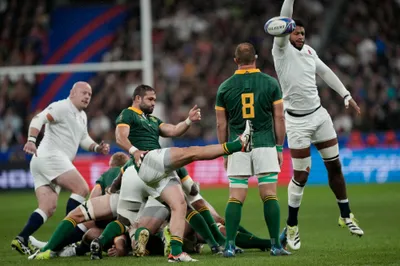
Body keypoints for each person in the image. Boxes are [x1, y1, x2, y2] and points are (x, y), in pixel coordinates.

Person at [89, 84, 251, 262]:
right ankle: (238, 144)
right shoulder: (127, 114)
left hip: (155, 169)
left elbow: (174, 130)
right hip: (148, 159)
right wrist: (134, 150)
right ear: (137, 98)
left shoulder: (152, 120)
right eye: (150, 99)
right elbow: (120, 136)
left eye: (155, 100)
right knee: (190, 152)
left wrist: (188, 121)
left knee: (180, 205)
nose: (153, 103)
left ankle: (176, 251)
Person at [272, 0, 364, 251]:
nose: (300, 36)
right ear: (287, 33)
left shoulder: (310, 52)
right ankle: (292, 225)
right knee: (301, 175)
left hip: (319, 116)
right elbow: (284, 18)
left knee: (335, 166)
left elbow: (326, 73)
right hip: (297, 122)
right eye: (296, 32)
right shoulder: (280, 49)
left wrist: (345, 94)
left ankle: (345, 215)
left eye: (303, 33)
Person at [11, 81, 110, 255]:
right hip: (51, 157)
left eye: (89, 94)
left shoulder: (82, 116)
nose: (87, 96)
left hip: (42, 161)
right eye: (83, 93)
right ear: (72, 93)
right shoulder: (62, 107)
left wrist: (97, 148)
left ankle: (21, 238)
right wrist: (31, 140)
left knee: (48, 207)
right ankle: (66, 236)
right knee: (81, 188)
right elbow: (38, 118)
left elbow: (83, 139)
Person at [215, 42, 288, 257]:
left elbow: (221, 124)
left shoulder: (225, 87)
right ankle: (275, 245)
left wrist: (225, 150)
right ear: (255, 58)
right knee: (269, 194)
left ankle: (229, 246)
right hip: (265, 143)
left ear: (236, 60)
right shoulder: (270, 83)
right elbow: (279, 117)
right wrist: (279, 147)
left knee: (236, 196)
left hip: (238, 145)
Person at [27, 152, 129, 260]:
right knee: (94, 233)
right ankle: (123, 248)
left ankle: (52, 246)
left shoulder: (108, 174)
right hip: (129, 219)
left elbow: (95, 195)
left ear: (111, 165)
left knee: (83, 218)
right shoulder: (130, 172)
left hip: (113, 209)